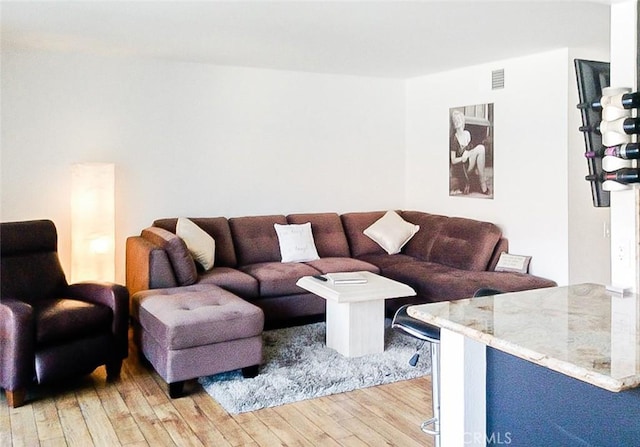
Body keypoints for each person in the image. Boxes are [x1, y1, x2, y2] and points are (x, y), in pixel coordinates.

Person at [449, 110, 488, 195]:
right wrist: (462, 158)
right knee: (480, 148)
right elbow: (453, 160)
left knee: (481, 148)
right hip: (461, 167)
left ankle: (482, 182)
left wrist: (468, 153)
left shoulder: (467, 134)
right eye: (455, 120)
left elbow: (471, 149)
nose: (457, 121)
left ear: (462, 120)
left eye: (459, 119)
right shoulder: (454, 139)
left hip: (469, 162)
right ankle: (483, 184)